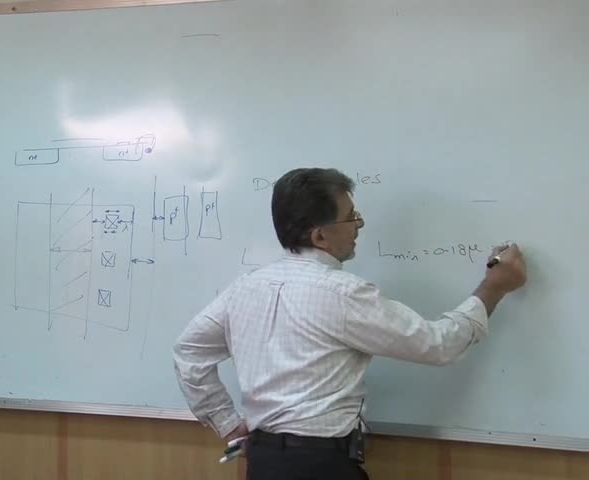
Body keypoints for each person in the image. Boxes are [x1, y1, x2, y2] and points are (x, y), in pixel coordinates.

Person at [172, 167, 527, 480]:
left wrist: (228, 424)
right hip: (319, 467)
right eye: (351, 217)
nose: (359, 225)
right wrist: (493, 288)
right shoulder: (342, 293)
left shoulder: (244, 289)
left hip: (263, 463)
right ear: (320, 236)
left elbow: (189, 352)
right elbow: (438, 345)